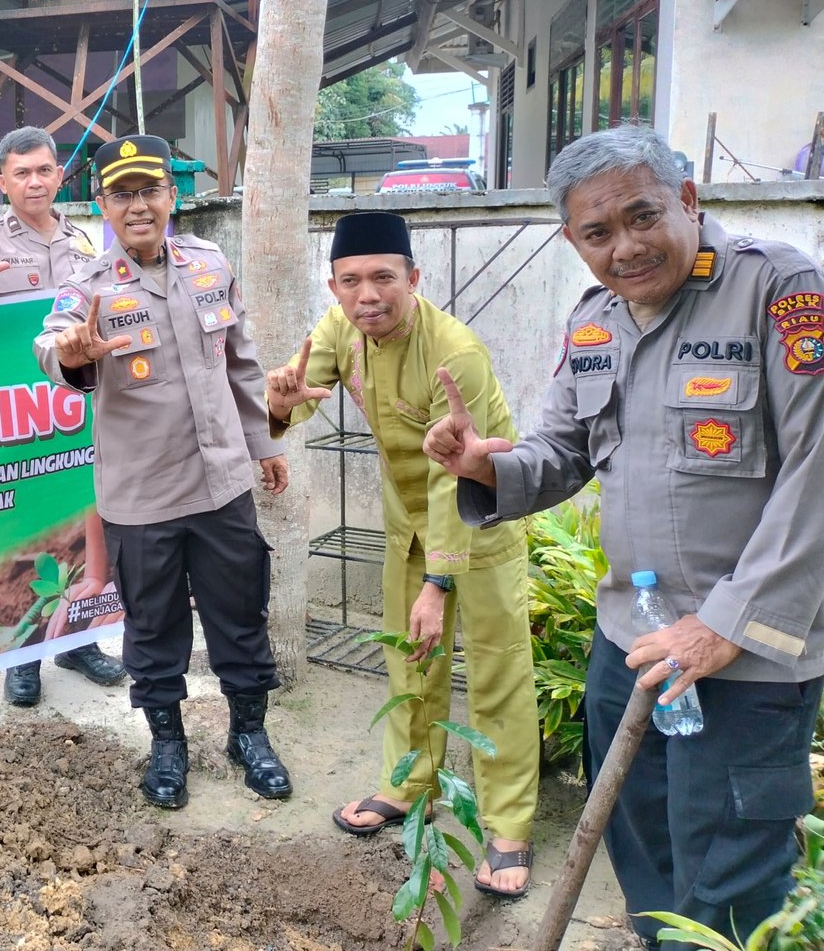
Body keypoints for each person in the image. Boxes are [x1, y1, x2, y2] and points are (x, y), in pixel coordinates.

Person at [424, 126, 824, 943]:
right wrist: (483, 468)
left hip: (744, 654)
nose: (626, 248)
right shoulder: (597, 321)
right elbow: (562, 451)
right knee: (639, 841)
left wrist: (723, 626)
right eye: (598, 234)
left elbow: (817, 472)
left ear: (687, 198)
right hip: (631, 636)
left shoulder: (778, 288)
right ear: (572, 239)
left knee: (730, 875)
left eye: (643, 217)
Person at [264, 211, 539, 900]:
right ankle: (408, 784)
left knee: (496, 674)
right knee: (409, 657)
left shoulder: (457, 352)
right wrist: (276, 408)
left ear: (413, 279)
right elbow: (296, 401)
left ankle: (507, 826)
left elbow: (457, 479)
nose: (368, 295)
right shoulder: (340, 331)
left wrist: (439, 583)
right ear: (333, 287)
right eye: (351, 281)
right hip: (405, 524)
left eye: (384, 277)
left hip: (480, 517)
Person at [35, 134, 292, 809]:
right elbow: (53, 343)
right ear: (103, 206)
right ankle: (168, 745)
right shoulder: (87, 287)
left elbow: (240, 362)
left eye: (149, 189)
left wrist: (265, 446)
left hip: (222, 485)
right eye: (121, 194)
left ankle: (249, 735)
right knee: (152, 631)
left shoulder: (210, 265)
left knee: (241, 616)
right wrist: (72, 353)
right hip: (142, 497)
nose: (137, 205)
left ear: (171, 197)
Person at [0, 125, 127, 706]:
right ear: (2, 180)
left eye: (44, 170)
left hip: (78, 408)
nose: (34, 182)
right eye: (22, 173)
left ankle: (77, 640)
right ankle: (22, 656)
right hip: (12, 418)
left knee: (84, 528)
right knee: (24, 535)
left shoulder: (87, 243)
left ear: (59, 175)